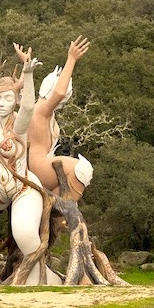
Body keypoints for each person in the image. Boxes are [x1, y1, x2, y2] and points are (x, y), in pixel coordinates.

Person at [0, 44, 61, 285]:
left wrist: (27, 75)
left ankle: (44, 279)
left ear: (14, 100)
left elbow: (28, 107)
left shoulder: (18, 125)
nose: (2, 103)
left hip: (23, 187)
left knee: (24, 233)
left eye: (7, 98)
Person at [28, 35, 94, 201]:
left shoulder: (47, 114)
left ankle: (56, 214)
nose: (65, 98)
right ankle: (63, 210)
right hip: (39, 167)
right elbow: (59, 92)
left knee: (72, 180)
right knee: (82, 168)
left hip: (46, 164)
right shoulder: (42, 110)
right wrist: (71, 59)